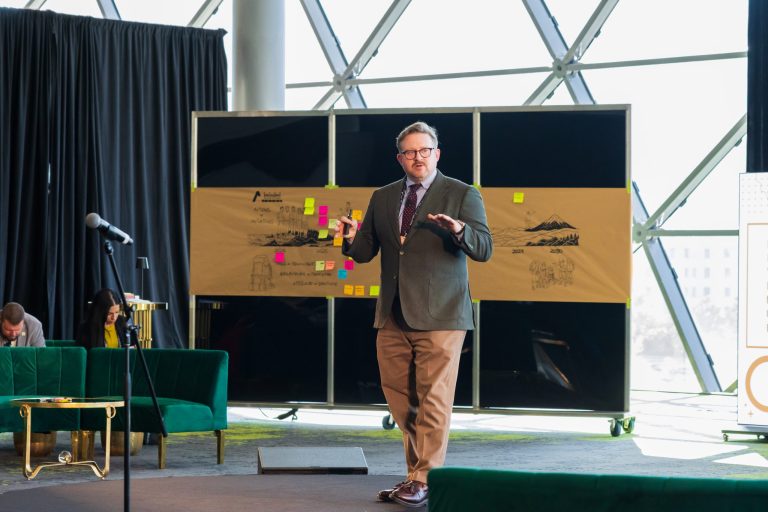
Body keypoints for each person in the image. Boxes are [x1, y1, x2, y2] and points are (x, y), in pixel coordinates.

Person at [336, 121, 493, 508]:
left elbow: (484, 248)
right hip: (393, 313)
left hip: (442, 314)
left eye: (425, 151)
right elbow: (364, 251)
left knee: (434, 399)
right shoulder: (384, 196)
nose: (418, 158)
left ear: (436, 154)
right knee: (402, 401)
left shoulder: (462, 193)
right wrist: (350, 239)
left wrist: (459, 230)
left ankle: (424, 479)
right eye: (410, 152)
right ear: (400, 158)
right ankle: (415, 477)